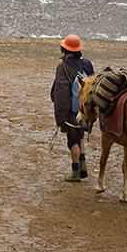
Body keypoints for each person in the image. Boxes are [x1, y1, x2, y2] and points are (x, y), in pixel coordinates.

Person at [50, 35, 94, 182]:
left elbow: (61, 92)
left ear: (64, 49)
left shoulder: (62, 67)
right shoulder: (87, 63)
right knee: (80, 135)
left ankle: (75, 172)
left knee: (72, 140)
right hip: (84, 108)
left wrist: (60, 117)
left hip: (71, 110)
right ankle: (83, 164)